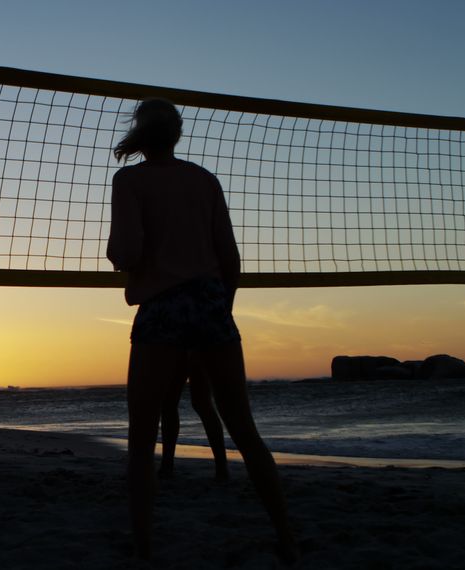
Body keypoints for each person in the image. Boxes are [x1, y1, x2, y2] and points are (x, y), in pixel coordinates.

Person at [107, 98, 296, 562]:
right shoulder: (204, 179)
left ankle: (144, 547)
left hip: (163, 308)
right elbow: (230, 259)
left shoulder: (129, 180)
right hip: (212, 305)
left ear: (141, 133)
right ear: (177, 134)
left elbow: (125, 253)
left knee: (140, 439)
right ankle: (287, 538)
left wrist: (133, 257)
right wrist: (217, 311)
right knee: (245, 431)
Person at [158, 367, 230, 481]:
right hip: (197, 351)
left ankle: (167, 465)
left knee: (173, 403)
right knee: (197, 403)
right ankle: (221, 467)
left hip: (185, 351)